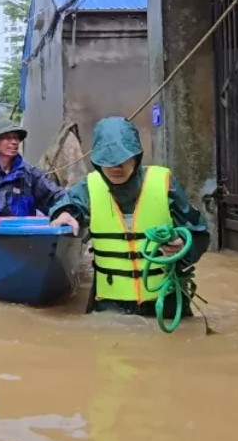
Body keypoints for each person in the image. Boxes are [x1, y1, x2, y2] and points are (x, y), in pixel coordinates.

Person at [48, 116, 210, 318]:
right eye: (109, 160)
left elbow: (199, 234)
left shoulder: (164, 182)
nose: (117, 166)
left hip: (165, 304)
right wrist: (64, 214)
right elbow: (68, 205)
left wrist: (183, 245)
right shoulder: (89, 187)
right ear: (97, 161)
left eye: (124, 158)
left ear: (136, 156)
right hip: (110, 305)